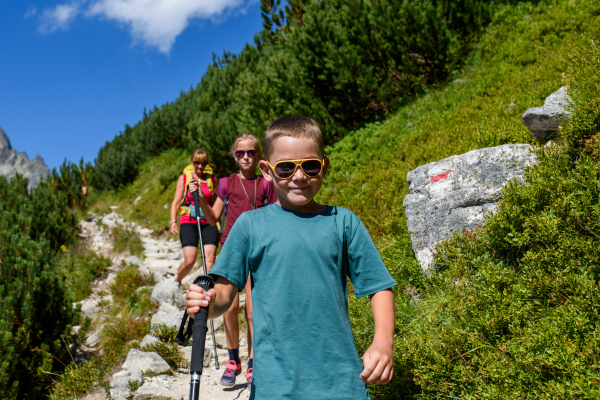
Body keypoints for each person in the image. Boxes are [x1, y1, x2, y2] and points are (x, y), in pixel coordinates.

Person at [185, 116, 396, 399]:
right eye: (285, 168)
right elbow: (223, 292)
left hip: (343, 384)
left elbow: (378, 286)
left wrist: (383, 343)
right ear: (267, 170)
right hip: (274, 387)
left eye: (310, 166)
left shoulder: (344, 222)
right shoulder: (248, 226)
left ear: (324, 165)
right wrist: (205, 303)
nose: (299, 177)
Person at [197, 133, 277, 388]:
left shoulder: (267, 183)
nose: (245, 157)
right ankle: (234, 361)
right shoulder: (226, 184)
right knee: (229, 307)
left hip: (258, 251)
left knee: (253, 311)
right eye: (240, 153)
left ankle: (253, 361)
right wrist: (200, 199)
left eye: (251, 152)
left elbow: (276, 216)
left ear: (258, 156)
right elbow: (212, 219)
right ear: (234, 155)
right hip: (231, 248)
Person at [169, 149, 219, 285]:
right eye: (197, 162)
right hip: (188, 221)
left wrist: (218, 221)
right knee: (190, 260)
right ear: (192, 162)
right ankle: (177, 280)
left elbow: (215, 203)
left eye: (203, 162)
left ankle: (209, 288)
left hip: (209, 222)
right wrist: (173, 221)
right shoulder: (184, 178)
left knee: (210, 258)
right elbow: (176, 201)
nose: (200, 166)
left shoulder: (212, 179)